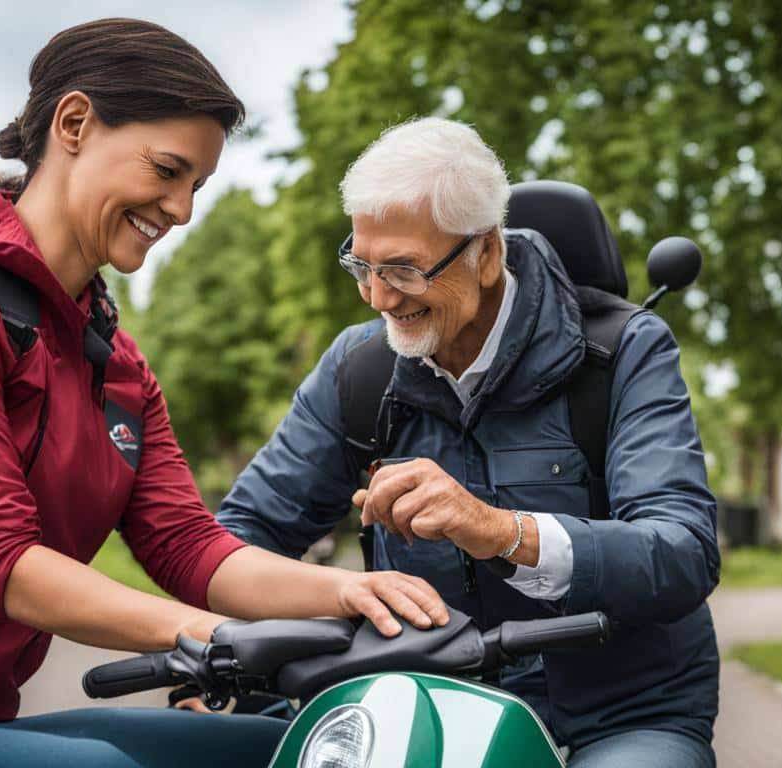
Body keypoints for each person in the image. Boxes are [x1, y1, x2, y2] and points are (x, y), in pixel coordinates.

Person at [0, 19, 446, 768]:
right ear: (75, 123)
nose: (181, 211)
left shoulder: (117, 364)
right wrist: (211, 635)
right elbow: (4, 562)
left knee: (295, 748)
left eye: (197, 186)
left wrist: (349, 593)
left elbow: (191, 547)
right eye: (166, 170)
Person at [218, 117, 721, 767]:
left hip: (621, 717)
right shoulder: (358, 369)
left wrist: (503, 531)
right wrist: (233, 638)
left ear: (487, 253)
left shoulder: (625, 352)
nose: (376, 297)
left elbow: (683, 552)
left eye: (402, 269)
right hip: (423, 711)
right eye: (361, 265)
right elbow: (241, 539)